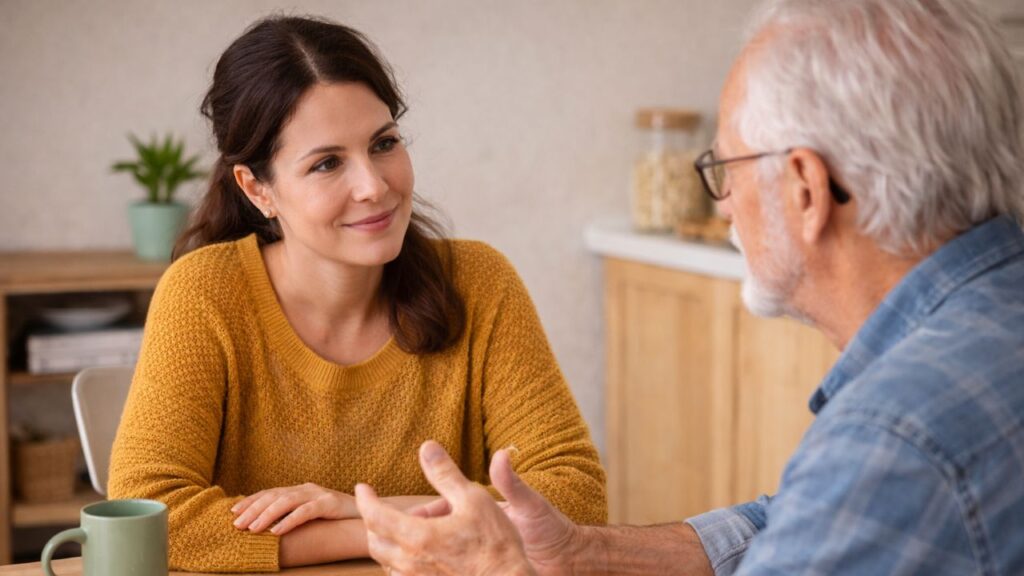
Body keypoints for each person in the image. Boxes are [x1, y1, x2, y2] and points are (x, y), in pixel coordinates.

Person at [354, 0, 1024, 574]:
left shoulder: (892, 438)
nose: (723, 201)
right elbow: (798, 520)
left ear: (806, 190)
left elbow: (857, 490)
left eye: (726, 164)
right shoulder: (984, 328)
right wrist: (589, 554)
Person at [107, 15, 606, 573]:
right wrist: (370, 531)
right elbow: (152, 521)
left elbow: (573, 497)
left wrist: (359, 508)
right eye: (326, 163)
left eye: (384, 144)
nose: (374, 186)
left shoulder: (480, 282)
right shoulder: (203, 294)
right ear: (257, 188)